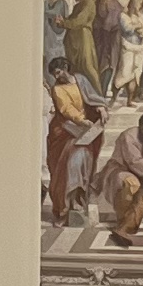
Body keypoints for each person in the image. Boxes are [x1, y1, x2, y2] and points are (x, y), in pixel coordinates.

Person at [44, 62, 94, 224]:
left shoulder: (81, 80)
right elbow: (66, 109)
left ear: (66, 68)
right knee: (64, 169)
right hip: (63, 131)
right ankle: (63, 209)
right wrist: (82, 120)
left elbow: (93, 97)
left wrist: (101, 108)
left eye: (58, 72)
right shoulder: (57, 89)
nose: (57, 77)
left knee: (83, 160)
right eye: (54, 74)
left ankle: (78, 202)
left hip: (83, 130)